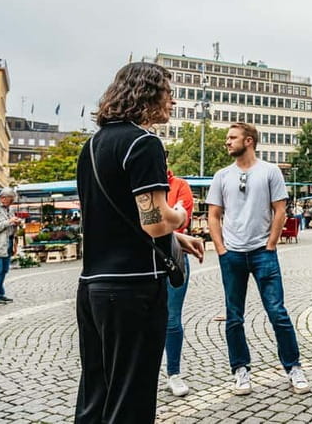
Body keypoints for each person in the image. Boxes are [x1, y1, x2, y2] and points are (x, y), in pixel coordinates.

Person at [75, 62, 205, 424]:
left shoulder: (92, 145)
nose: (173, 101)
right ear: (148, 93)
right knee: (130, 400)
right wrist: (178, 215)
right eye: (168, 91)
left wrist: (176, 237)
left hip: (93, 285)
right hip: (133, 288)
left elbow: (113, 216)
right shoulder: (144, 142)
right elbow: (154, 221)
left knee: (96, 394)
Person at [207, 122, 310, 396]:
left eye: (232, 137)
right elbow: (214, 215)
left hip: (263, 254)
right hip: (232, 255)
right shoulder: (221, 176)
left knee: (278, 313)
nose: (227, 142)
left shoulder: (270, 171)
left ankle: (293, 367)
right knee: (234, 317)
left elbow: (280, 210)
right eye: (227, 138)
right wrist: (220, 249)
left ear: (249, 141)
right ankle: (240, 370)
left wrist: (271, 244)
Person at [163, 154, 195, 397]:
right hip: (142, 261)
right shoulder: (137, 182)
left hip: (174, 258)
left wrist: (166, 220)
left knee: (172, 319)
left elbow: (179, 225)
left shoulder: (180, 185)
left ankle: (173, 373)